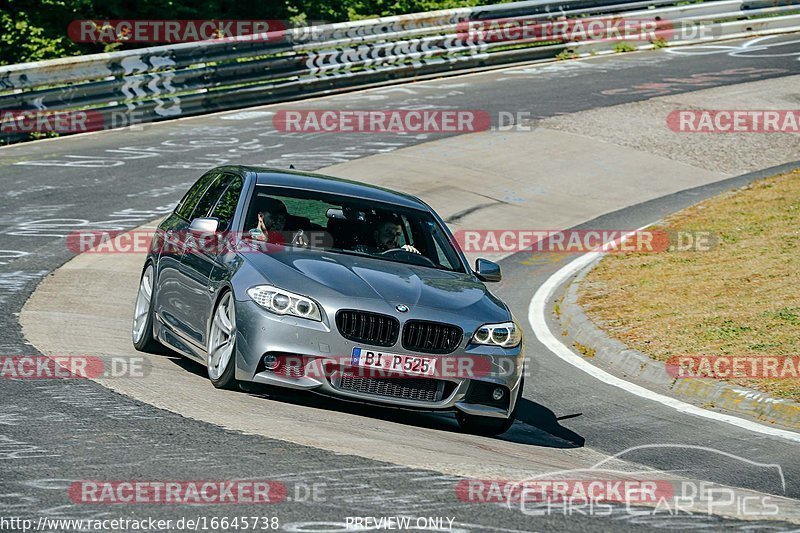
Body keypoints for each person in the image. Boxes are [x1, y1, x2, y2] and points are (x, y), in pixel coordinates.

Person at [355, 217, 420, 255]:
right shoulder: (363, 252)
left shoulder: (403, 254)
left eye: (398, 234)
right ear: (376, 235)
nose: (394, 238)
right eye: (389, 233)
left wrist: (410, 254)